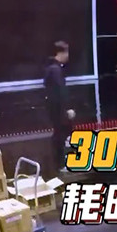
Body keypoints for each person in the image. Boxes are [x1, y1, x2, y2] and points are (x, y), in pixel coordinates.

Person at [44, 41, 75, 173]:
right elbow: (61, 91)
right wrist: (67, 109)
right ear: (61, 53)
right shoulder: (56, 70)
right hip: (59, 109)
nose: (68, 55)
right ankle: (61, 164)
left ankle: (60, 163)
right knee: (60, 135)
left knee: (59, 134)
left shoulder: (50, 68)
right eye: (66, 52)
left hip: (54, 108)